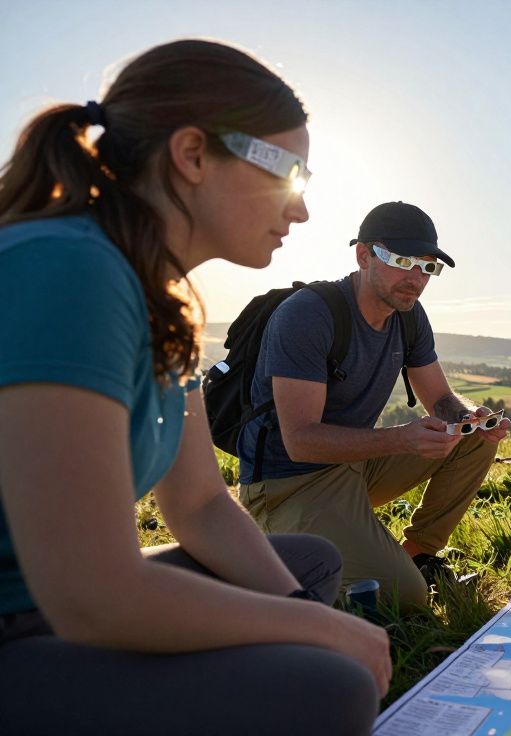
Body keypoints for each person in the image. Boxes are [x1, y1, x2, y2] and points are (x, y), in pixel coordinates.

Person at [0, 40, 387, 735]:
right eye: (288, 172)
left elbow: (203, 504)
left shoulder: (155, 293)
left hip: (50, 602)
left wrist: (299, 614)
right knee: (326, 688)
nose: (299, 211)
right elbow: (92, 595)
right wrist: (317, 634)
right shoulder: (69, 271)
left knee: (307, 566)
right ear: (192, 154)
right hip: (30, 617)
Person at [236, 201, 509, 612]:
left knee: (474, 441)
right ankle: (270, 560)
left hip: (355, 468)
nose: (416, 278)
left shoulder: (409, 316)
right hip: (289, 484)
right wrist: (401, 439)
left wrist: (470, 418)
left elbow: (440, 399)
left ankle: (419, 555)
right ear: (364, 255)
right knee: (407, 599)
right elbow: (301, 442)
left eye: (428, 266)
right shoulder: (309, 314)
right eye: (403, 261)